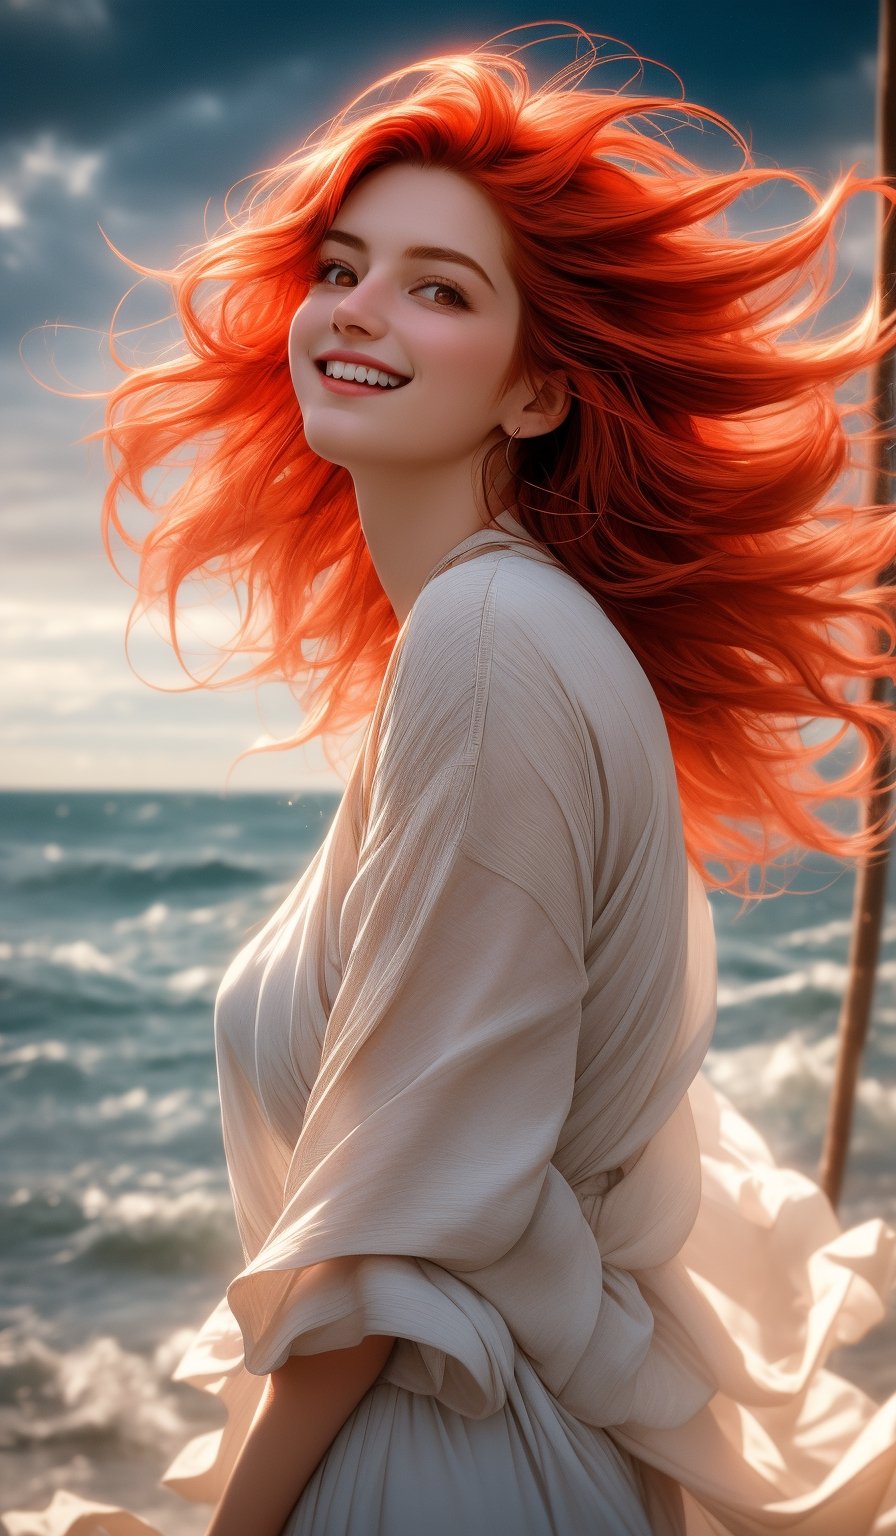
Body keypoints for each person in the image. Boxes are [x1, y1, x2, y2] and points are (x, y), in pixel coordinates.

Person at [7, 25, 896, 1536]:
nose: (355, 312)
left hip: (444, 1475)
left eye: (441, 288)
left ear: (539, 392)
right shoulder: (513, 630)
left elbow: (403, 1223)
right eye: (343, 267)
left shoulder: (488, 642)